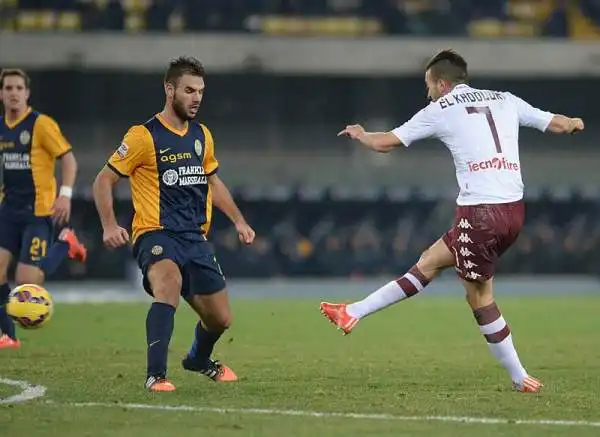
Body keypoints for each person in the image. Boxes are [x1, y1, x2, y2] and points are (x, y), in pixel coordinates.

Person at [320, 49, 584, 393]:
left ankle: (520, 377)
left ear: (442, 84)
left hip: (480, 213)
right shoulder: (505, 99)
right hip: (513, 211)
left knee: (479, 296)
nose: (427, 92)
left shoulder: (441, 108)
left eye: (429, 85)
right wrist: (577, 123)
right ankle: (352, 312)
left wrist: (362, 134)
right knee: (430, 262)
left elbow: (386, 143)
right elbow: (559, 124)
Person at [92, 56, 255, 392]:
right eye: (189, 90)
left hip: (195, 238)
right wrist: (109, 225)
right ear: (170, 90)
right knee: (168, 282)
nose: (196, 98)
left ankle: (197, 359)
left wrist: (239, 220)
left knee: (220, 319)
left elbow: (213, 181)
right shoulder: (142, 136)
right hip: (155, 232)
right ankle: (156, 375)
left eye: (201, 91)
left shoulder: (202, 135)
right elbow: (103, 180)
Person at [0, 68, 87, 349]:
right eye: (8, 88)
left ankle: (65, 242)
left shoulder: (41, 124)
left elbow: (69, 160)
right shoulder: (1, 127)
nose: (13, 93)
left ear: (27, 93)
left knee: (27, 284)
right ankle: (8, 336)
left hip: (38, 213)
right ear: (1, 94)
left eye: (18, 88)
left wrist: (65, 195)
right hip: (8, 211)